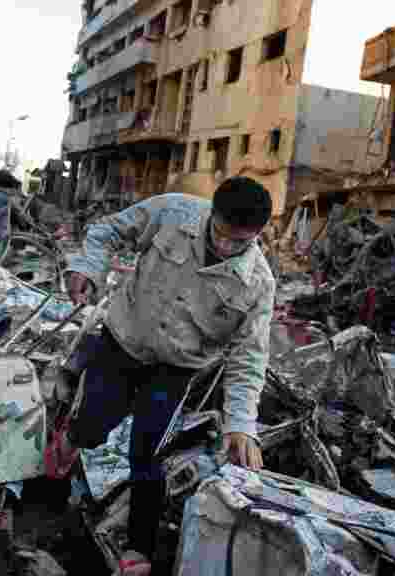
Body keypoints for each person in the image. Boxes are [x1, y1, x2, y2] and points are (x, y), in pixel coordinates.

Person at [49, 177, 275, 575]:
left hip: (176, 370)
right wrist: (87, 268)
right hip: (123, 342)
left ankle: (138, 550)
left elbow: (248, 359)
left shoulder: (257, 284)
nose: (224, 247)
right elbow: (107, 231)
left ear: (256, 236)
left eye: (238, 243)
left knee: (149, 455)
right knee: (93, 428)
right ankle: (70, 439)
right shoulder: (173, 212)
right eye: (220, 234)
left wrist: (241, 424)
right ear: (211, 214)